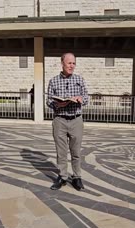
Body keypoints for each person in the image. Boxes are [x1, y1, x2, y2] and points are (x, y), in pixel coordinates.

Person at [46, 53, 89, 191]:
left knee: (76, 151)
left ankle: (77, 177)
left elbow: (87, 98)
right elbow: (48, 101)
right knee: (61, 152)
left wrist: (81, 99)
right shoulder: (53, 81)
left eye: (74, 63)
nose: (71, 66)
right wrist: (58, 105)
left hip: (76, 119)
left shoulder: (79, 79)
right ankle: (62, 177)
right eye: (69, 63)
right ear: (62, 63)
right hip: (60, 120)